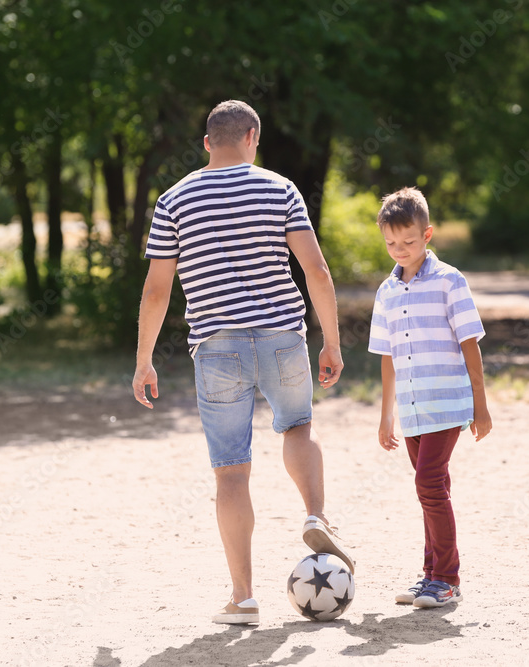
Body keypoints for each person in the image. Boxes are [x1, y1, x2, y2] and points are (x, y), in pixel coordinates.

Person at [132, 100, 355, 625]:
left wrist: (144, 360)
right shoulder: (280, 188)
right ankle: (315, 514)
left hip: (217, 345)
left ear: (207, 142)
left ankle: (244, 597)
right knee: (298, 427)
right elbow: (316, 270)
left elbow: (157, 289)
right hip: (282, 337)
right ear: (252, 137)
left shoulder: (174, 199)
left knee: (231, 472)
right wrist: (332, 342)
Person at [368, 186, 492, 608]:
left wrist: (482, 405)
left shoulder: (449, 281)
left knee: (428, 484)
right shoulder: (386, 292)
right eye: (390, 243)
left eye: (408, 241)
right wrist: (386, 417)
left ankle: (448, 579)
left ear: (428, 235)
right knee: (431, 488)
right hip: (412, 409)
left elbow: (470, 342)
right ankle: (430, 575)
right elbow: (386, 358)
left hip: (448, 403)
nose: (399, 250)